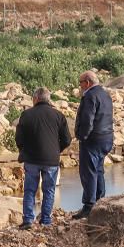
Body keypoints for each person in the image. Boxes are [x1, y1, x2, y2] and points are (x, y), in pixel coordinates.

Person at [15, 87, 72, 230]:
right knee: (49, 190)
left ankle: (28, 220)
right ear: (48, 99)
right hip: (51, 160)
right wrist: (56, 150)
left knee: (29, 190)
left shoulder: (26, 115)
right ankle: (46, 220)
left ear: (36, 99)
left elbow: (19, 138)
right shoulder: (58, 115)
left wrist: (23, 150)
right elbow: (67, 139)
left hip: (31, 159)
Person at [73, 71, 114, 220]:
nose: (80, 86)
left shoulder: (90, 96)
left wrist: (82, 137)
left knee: (88, 172)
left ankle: (89, 206)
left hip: (93, 139)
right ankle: (100, 201)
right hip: (106, 138)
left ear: (88, 82)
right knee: (98, 170)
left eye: (81, 83)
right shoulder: (105, 94)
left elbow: (87, 119)